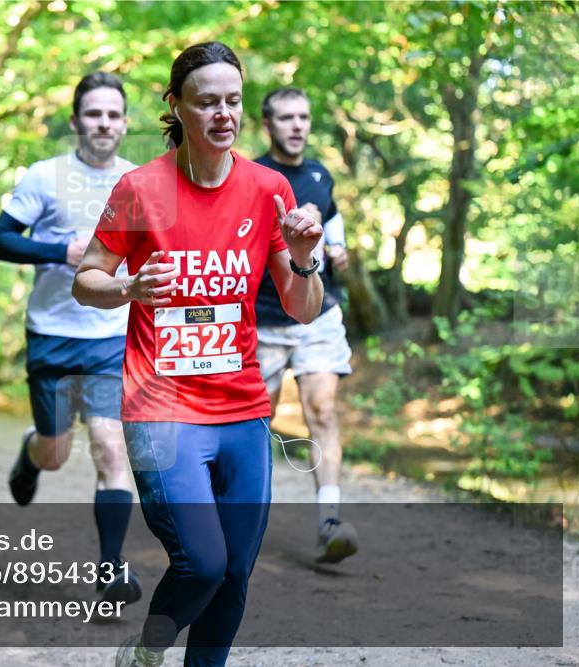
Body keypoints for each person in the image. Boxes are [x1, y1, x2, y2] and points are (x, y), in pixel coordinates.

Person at [72, 43, 324, 667]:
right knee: (203, 563)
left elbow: (303, 307)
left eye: (233, 101)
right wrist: (129, 287)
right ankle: (149, 648)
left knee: (234, 575)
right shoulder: (140, 189)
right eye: (206, 101)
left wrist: (300, 257)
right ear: (177, 106)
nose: (223, 114)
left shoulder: (270, 189)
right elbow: (87, 278)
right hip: (161, 407)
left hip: (241, 409)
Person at [0, 72, 142, 606]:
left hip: (110, 334)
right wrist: (58, 250)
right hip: (52, 333)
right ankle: (31, 456)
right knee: (55, 453)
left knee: (108, 446)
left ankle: (110, 571)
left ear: (125, 124)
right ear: (76, 121)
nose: (104, 123)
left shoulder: (138, 181)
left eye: (113, 114)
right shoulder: (44, 177)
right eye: (94, 114)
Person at [255, 87, 358, 564]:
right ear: (267, 125)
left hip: (317, 312)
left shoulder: (319, 175)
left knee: (322, 411)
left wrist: (336, 248)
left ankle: (329, 522)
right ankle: (241, 524)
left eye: (304, 117)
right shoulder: (253, 176)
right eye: (286, 118)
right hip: (265, 319)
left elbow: (332, 224)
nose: (297, 126)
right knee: (257, 423)